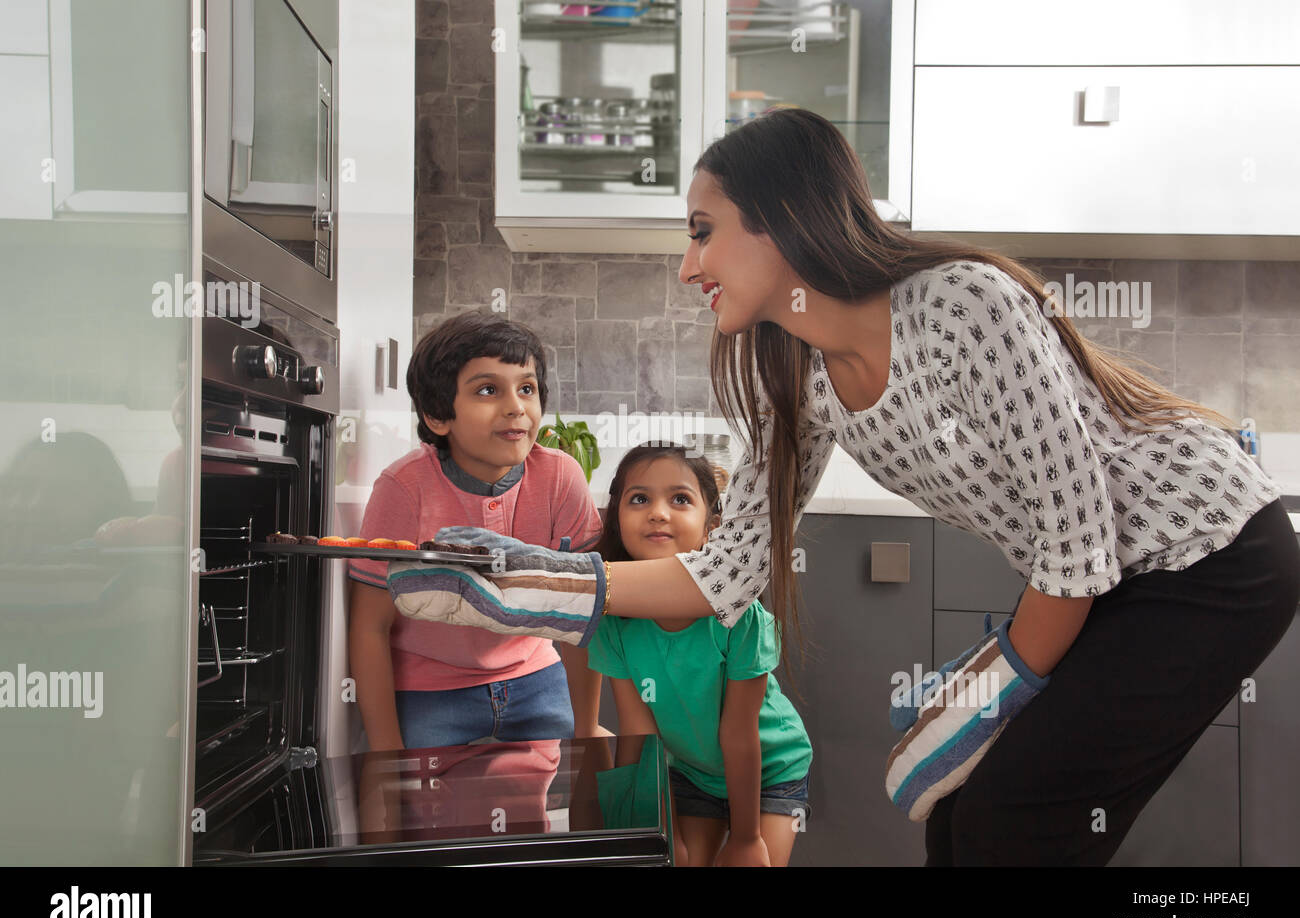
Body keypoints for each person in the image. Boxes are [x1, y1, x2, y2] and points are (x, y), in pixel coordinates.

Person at [385, 109, 1299, 866]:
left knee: (1016, 823)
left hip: (1213, 554)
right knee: (963, 822)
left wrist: (987, 700)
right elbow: (729, 568)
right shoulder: (799, 377)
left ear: (779, 219)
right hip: (1101, 579)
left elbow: (1078, 540)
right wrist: (538, 584)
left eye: (703, 231)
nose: (688, 266)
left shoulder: (962, 302)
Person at [347, 310, 604, 752]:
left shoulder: (561, 476)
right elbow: (370, 626)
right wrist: (385, 752)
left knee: (536, 816)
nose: (516, 407)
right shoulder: (403, 488)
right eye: (489, 390)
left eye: (527, 388)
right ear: (437, 415)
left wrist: (588, 728)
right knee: (435, 820)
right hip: (429, 691)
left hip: (536, 678)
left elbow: (583, 612)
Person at [584, 441, 812, 867]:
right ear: (616, 516)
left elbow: (740, 737)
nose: (657, 512)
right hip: (691, 773)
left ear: (712, 527)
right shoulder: (613, 620)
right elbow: (639, 734)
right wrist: (642, 824)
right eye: (639, 499)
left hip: (771, 772)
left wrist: (745, 840)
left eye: (680, 499)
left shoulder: (739, 617)